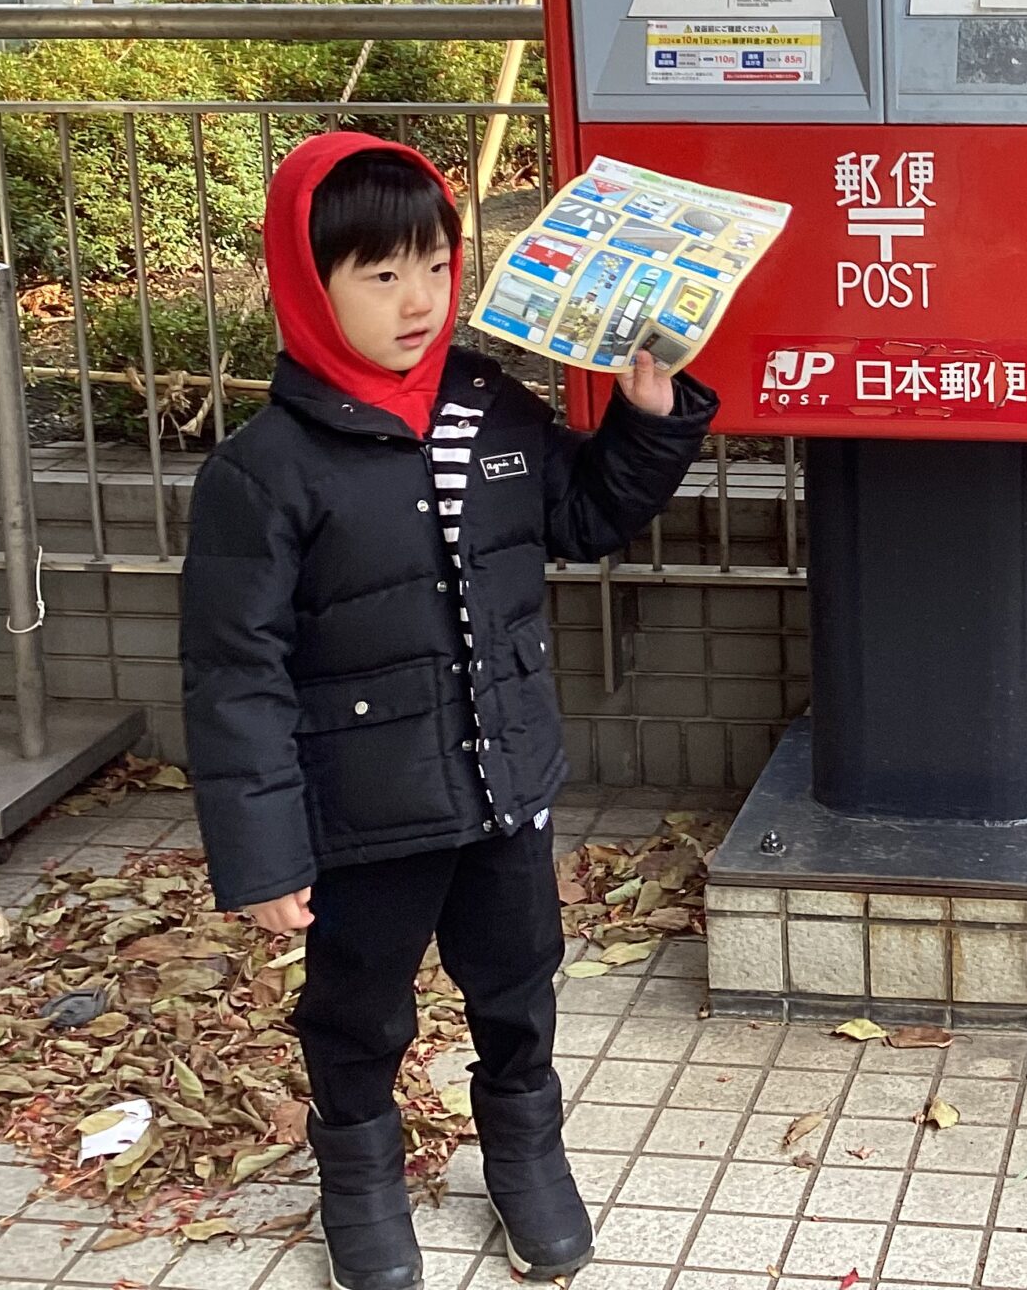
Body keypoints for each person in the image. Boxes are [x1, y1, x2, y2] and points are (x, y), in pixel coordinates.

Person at [179, 132, 716, 1290]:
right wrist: (263, 856)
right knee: (359, 1008)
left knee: (518, 982)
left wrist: (649, 417)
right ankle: (360, 1179)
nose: (419, 301)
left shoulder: (488, 406)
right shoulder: (264, 471)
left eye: (434, 265)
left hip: (504, 779)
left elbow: (580, 518)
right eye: (381, 275)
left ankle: (525, 1152)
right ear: (308, 283)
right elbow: (235, 675)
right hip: (364, 810)